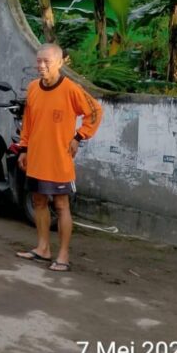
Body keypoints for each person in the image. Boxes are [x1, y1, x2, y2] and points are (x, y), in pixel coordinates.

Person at [15, 43, 102, 272]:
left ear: (60, 63)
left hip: (59, 159)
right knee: (38, 201)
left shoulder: (71, 89)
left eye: (47, 62)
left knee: (61, 205)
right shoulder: (33, 88)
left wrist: (79, 136)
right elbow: (28, 122)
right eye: (39, 61)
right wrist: (23, 149)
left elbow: (94, 112)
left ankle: (63, 255)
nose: (41, 66)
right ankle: (43, 248)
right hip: (36, 157)